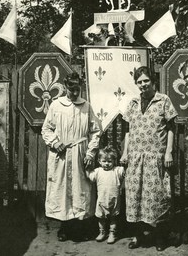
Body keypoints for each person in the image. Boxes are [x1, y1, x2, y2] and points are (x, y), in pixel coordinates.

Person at [120, 66, 178, 251]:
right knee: (135, 197)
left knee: (157, 198)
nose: (143, 84)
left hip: (156, 158)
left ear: (152, 81)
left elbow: (171, 128)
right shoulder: (133, 103)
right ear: (136, 84)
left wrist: (168, 151)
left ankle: (160, 237)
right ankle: (139, 237)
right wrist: (124, 152)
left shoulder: (163, 101)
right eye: (139, 82)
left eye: (146, 81)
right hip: (136, 158)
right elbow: (129, 131)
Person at [42, 72, 101, 241]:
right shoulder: (56, 105)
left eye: (77, 89)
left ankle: (80, 227)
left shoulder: (86, 106)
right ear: (65, 87)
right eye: (71, 89)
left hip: (80, 154)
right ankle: (64, 228)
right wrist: (55, 142)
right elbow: (46, 129)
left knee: (79, 189)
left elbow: (95, 131)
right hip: (61, 153)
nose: (75, 93)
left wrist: (90, 152)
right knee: (62, 190)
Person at [86, 146, 125, 244]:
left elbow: (125, 171)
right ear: (99, 161)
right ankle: (102, 232)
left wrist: (124, 162)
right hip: (101, 200)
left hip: (114, 199)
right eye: (104, 161)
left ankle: (112, 233)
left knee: (113, 218)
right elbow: (90, 177)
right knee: (101, 218)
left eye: (110, 161)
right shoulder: (97, 171)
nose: (107, 164)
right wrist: (87, 168)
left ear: (114, 161)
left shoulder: (117, 170)